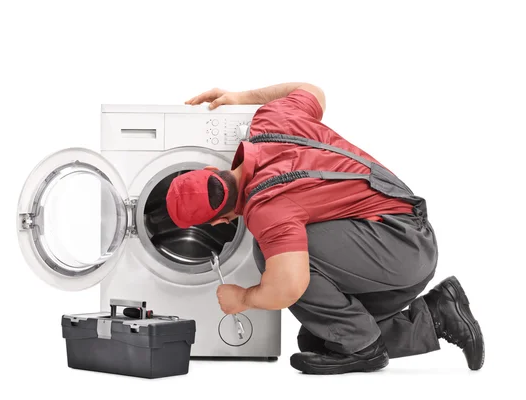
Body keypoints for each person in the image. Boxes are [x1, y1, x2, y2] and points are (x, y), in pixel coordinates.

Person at [165, 83, 484, 374]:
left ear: (220, 220)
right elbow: (311, 91)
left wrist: (243, 298)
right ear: (211, 169)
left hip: (399, 246)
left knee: (272, 258)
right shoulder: (271, 121)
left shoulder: (266, 206)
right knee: (319, 339)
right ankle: (439, 313)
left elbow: (288, 287)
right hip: (401, 235)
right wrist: (242, 98)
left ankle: (363, 347)